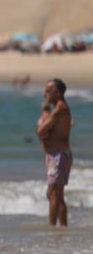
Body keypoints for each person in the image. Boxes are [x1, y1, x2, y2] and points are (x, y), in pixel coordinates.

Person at [36, 78, 73, 227]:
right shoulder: (60, 108)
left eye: (48, 91)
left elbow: (42, 130)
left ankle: (52, 229)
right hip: (55, 155)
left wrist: (43, 121)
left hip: (59, 156)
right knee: (56, 195)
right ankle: (62, 227)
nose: (45, 94)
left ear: (57, 92)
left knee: (53, 194)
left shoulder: (60, 109)